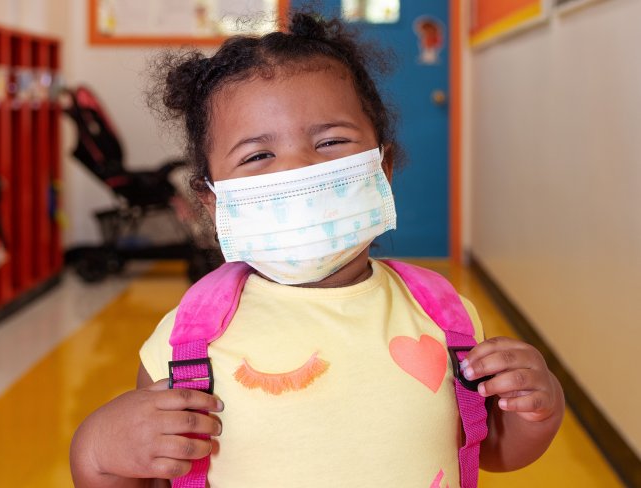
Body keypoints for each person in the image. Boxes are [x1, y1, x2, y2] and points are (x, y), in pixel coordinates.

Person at [70, 12, 564, 488]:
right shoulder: (185, 344)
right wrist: (96, 454)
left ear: (382, 169)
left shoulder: (443, 317)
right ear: (213, 202)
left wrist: (537, 411)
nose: (296, 171)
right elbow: (155, 472)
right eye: (258, 155)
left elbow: (486, 449)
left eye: (330, 142)